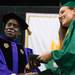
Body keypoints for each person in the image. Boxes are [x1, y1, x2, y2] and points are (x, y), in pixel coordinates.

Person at [37, 1, 75, 75]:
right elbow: (66, 70)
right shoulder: (70, 32)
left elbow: (72, 54)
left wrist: (52, 55)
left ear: (74, 10)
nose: (59, 16)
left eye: (62, 12)